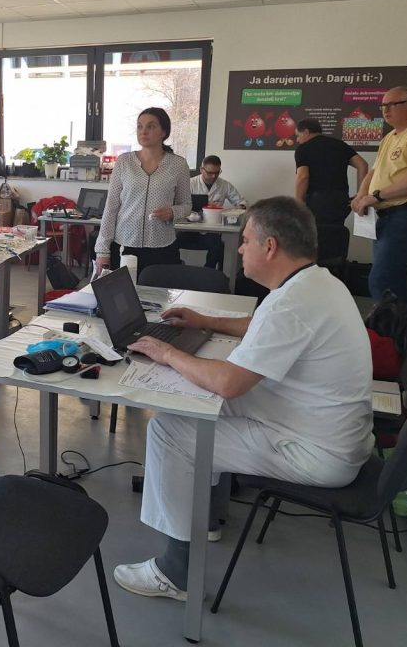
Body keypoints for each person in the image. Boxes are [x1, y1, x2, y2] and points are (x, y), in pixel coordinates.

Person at [113, 197, 372, 602]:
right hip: (321, 425)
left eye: (246, 240)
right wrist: (205, 320)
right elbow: (261, 325)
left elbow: (230, 383)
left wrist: (166, 352)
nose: (239, 249)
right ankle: (207, 518)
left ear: (270, 247)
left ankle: (175, 573)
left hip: (315, 450)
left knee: (170, 431)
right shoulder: (317, 283)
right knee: (195, 401)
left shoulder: (292, 303)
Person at [351, 87, 407, 303]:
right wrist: (361, 195)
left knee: (383, 280)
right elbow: (375, 171)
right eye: (383, 106)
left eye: (393, 104)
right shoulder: (390, 137)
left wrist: (377, 196)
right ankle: (400, 322)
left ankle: (399, 324)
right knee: (390, 280)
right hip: (387, 216)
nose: (386, 110)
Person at [94, 107, 190, 276]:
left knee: (159, 292)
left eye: (151, 126)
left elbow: (187, 205)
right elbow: (111, 207)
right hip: (124, 245)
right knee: (124, 292)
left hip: (162, 247)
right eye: (140, 126)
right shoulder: (124, 162)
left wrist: (173, 212)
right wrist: (102, 250)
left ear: (164, 132)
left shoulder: (178, 165)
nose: (143, 131)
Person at [294, 118, 368, 226]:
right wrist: (360, 193)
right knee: (336, 231)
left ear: (306, 132)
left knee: (315, 233)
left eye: (298, 135)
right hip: (341, 200)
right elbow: (362, 164)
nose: (297, 140)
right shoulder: (340, 144)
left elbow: (303, 177)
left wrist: (299, 203)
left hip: (317, 202)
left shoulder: (303, 149)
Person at [181, 155, 245, 269]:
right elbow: (180, 205)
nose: (214, 176)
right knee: (172, 242)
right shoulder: (190, 183)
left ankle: (208, 271)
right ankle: (177, 268)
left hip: (213, 230)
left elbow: (241, 202)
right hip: (190, 229)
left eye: (217, 172)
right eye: (210, 173)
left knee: (216, 244)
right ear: (202, 169)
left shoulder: (224, 185)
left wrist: (237, 208)